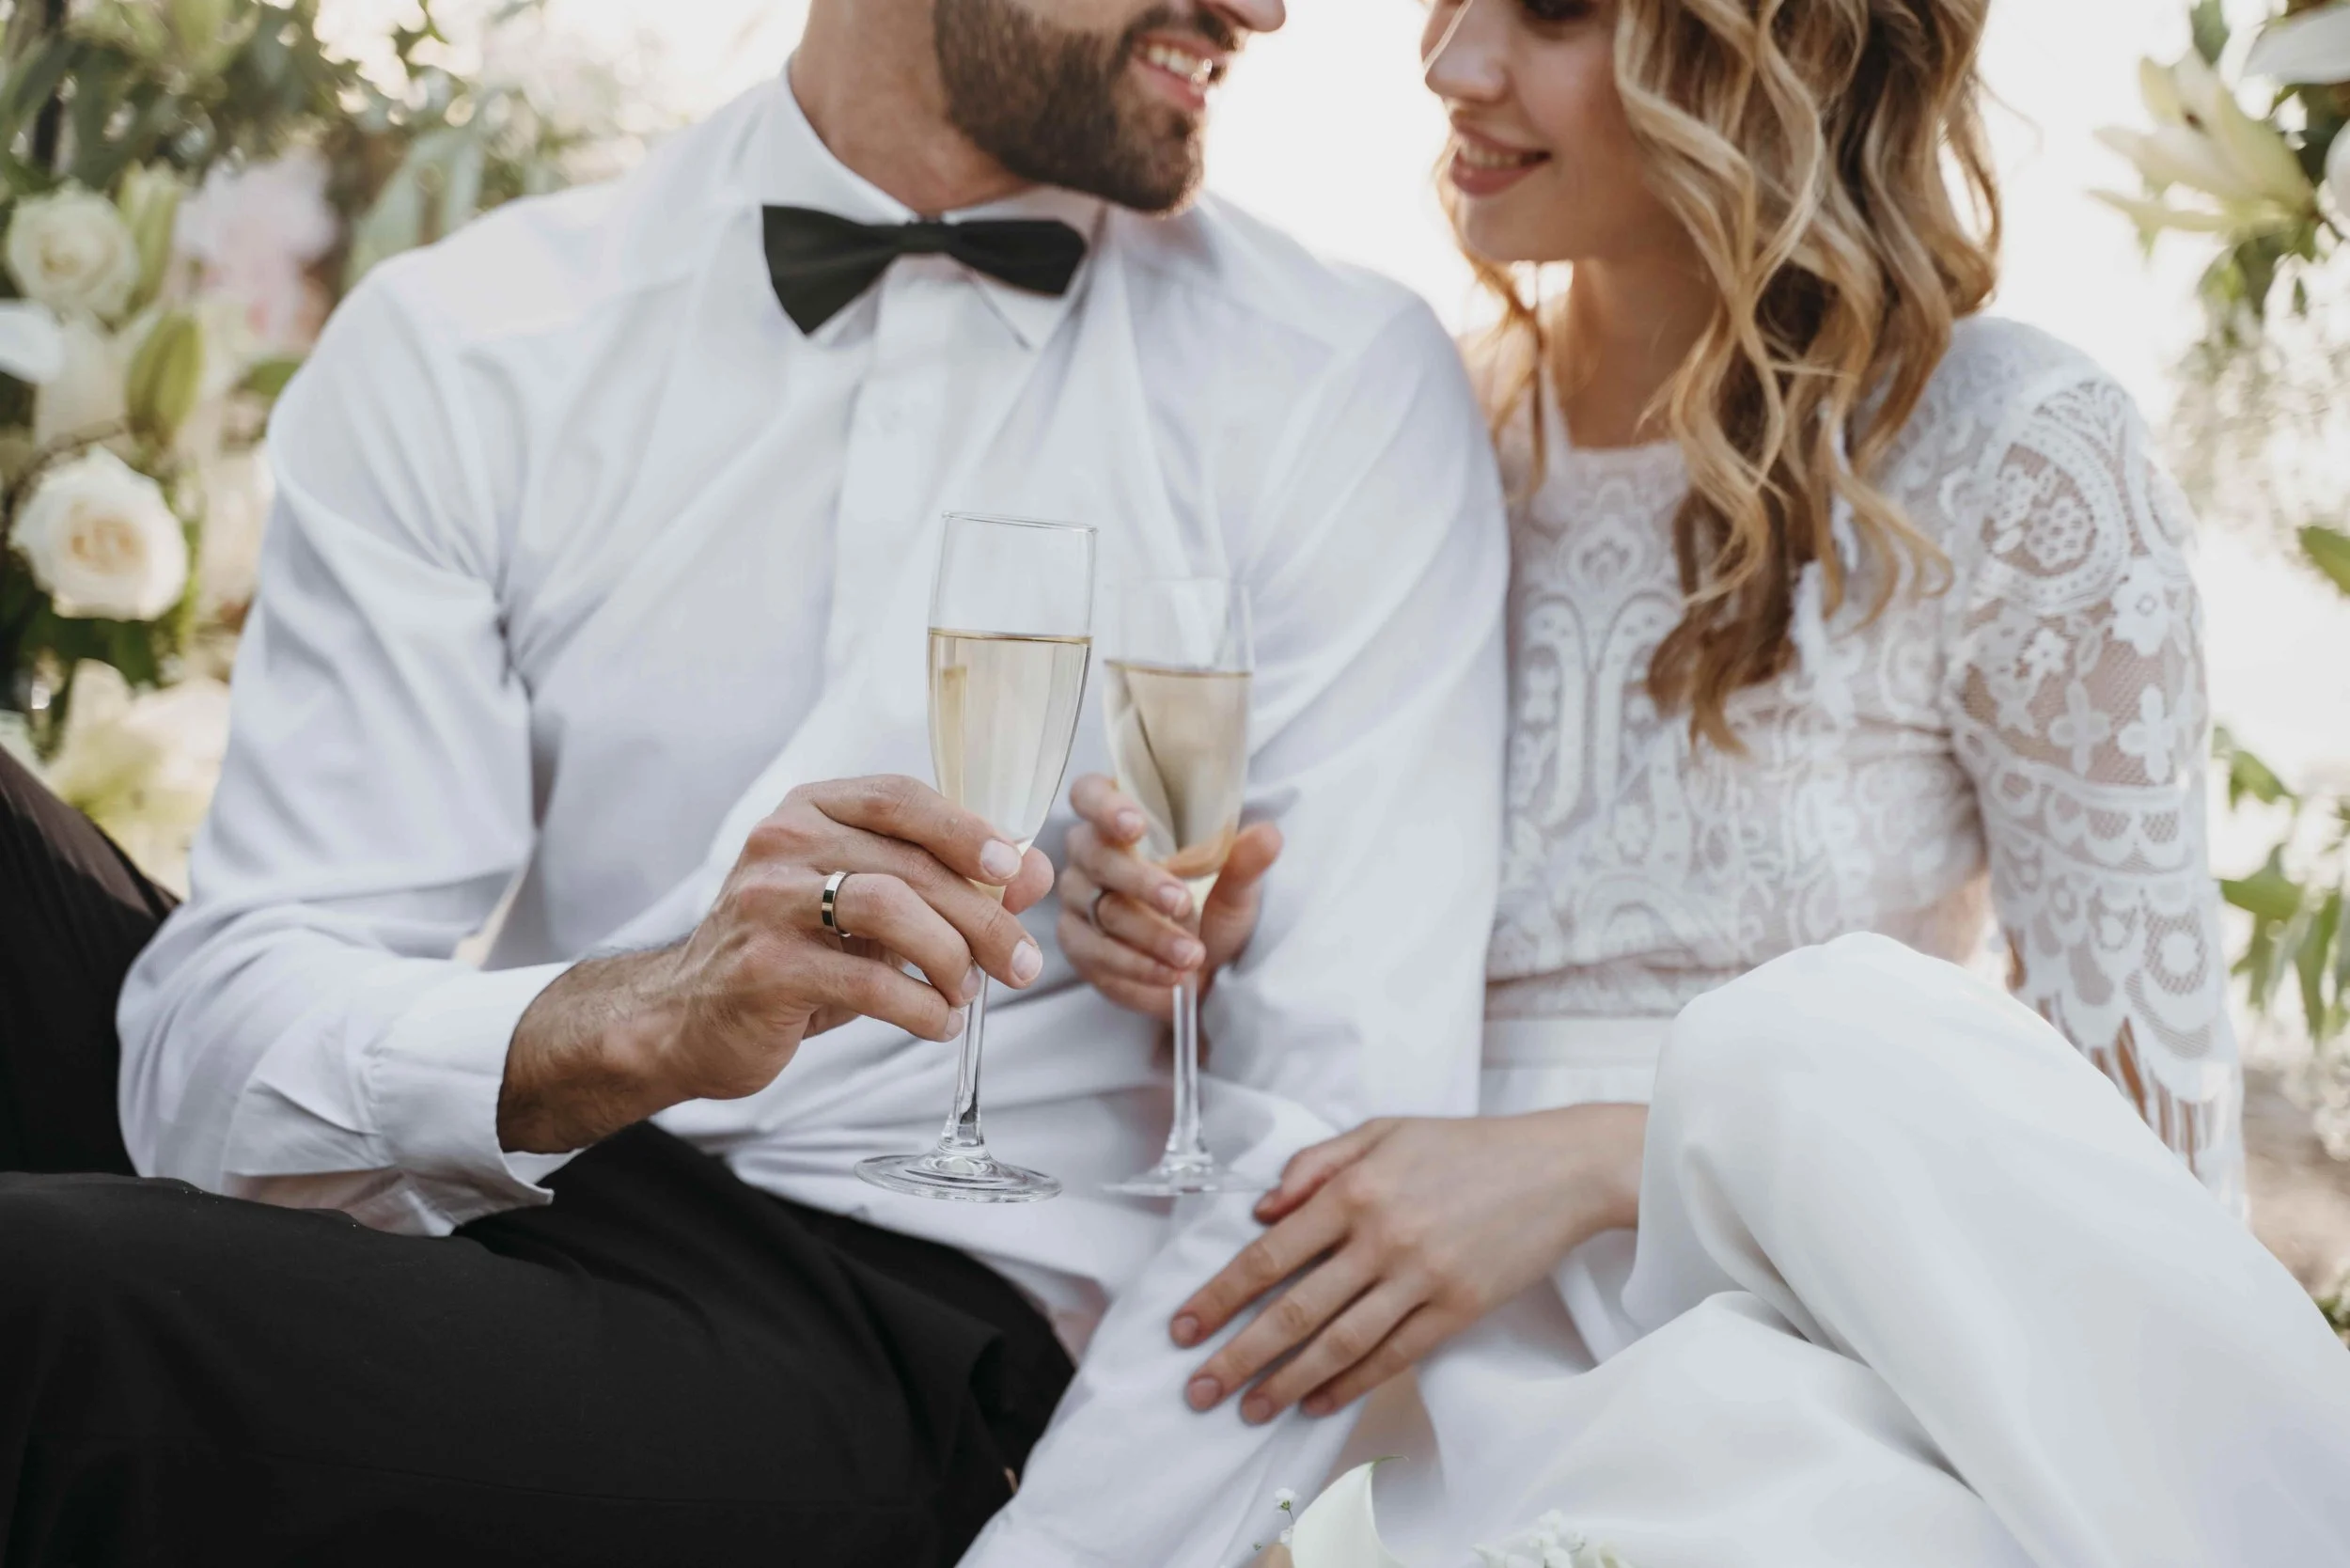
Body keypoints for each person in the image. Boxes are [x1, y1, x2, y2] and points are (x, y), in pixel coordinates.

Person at [0, 0, 1513, 1562]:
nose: (1262, 8)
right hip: (521, 1186)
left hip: (902, 1338)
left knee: (40, 1304)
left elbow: (1335, 1146)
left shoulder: (1332, 382)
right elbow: (220, 1041)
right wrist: (632, 1020)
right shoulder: (476, 336)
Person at [1056, 0, 2350, 1556]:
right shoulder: (1408, 436)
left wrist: (1604, 1162)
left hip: (1811, 1378)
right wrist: (1187, 947)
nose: (1451, 63)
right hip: (1364, 1378)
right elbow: (1326, 1005)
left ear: (1774, 52)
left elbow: (2143, 1187)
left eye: (1550, 12)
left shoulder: (2011, 455)